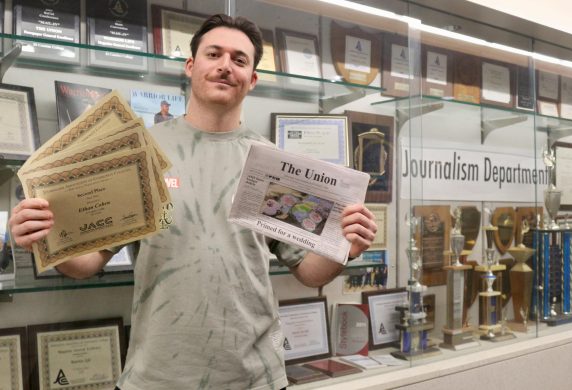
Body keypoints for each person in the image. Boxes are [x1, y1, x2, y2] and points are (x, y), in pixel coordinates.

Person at [9, 14, 378, 390]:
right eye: (213, 54)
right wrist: (46, 236)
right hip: (155, 376)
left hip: (254, 378)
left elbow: (308, 272)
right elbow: (85, 264)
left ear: (252, 79)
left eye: (239, 60)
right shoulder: (141, 154)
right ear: (190, 65)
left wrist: (344, 245)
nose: (224, 66)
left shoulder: (272, 166)